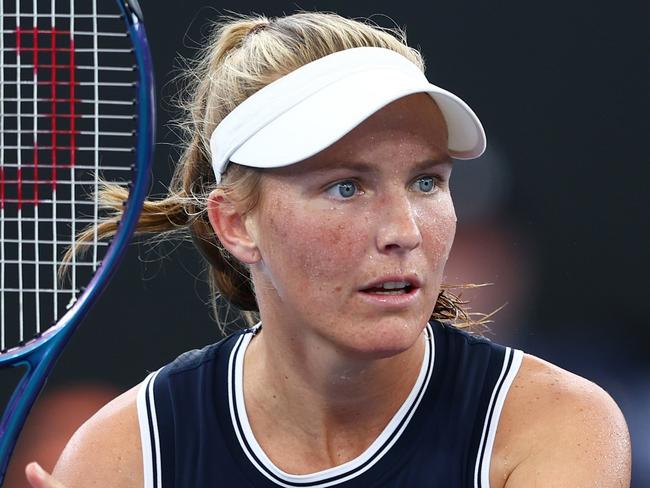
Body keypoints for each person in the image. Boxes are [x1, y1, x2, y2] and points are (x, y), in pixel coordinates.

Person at [24, 12, 631, 488]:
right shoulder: (123, 456)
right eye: (346, 187)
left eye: (428, 181)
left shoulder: (555, 427)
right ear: (237, 224)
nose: (405, 231)